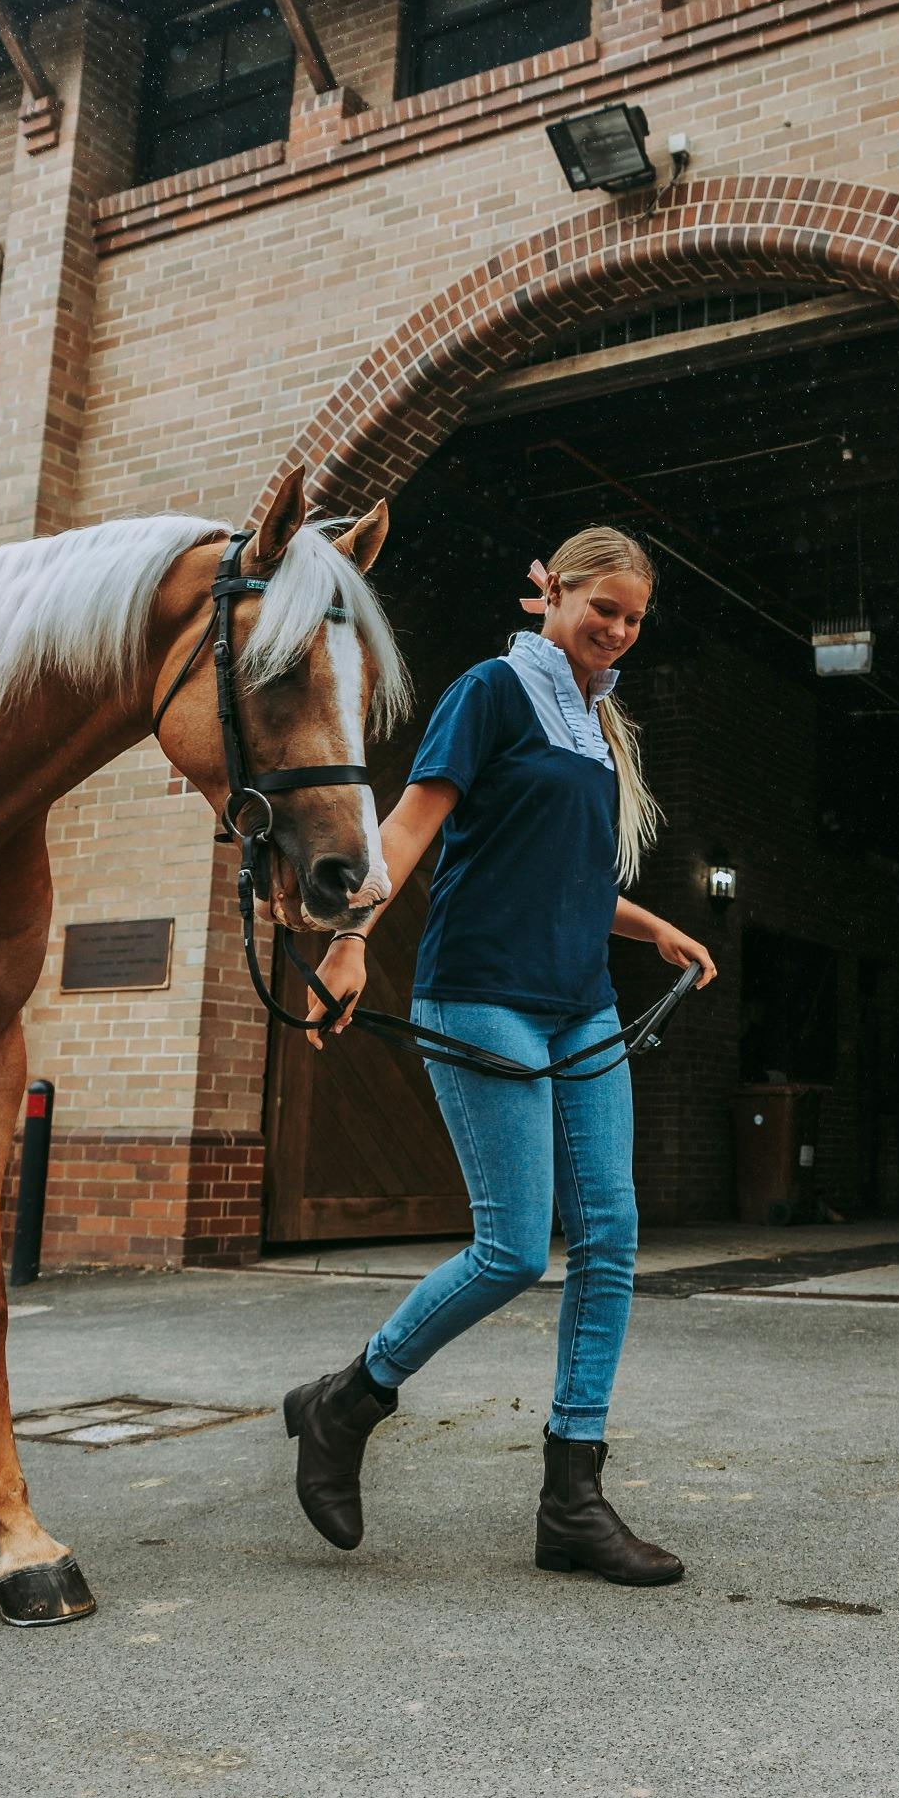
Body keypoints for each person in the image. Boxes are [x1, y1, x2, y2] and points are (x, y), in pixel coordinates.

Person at [280, 526, 715, 1585]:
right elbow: (409, 830)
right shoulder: (491, 692)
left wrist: (650, 926)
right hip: (481, 995)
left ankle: (573, 1498)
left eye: (634, 618)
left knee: (609, 1239)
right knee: (513, 1250)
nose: (618, 630)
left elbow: (563, 879)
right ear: (552, 592)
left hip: (582, 1005)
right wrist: (350, 941)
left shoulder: (597, 725)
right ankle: (349, 1401)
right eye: (602, 608)